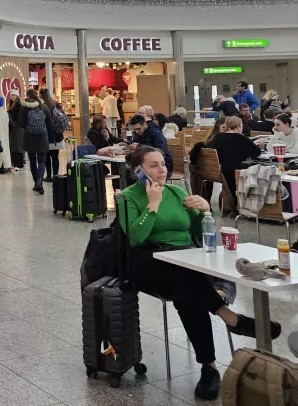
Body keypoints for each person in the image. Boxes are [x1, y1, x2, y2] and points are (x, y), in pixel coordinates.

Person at [119, 145, 280, 401]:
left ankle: (210, 368)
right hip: (147, 259)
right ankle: (229, 317)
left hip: (183, 258)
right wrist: (152, 205)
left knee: (187, 291)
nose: (161, 170)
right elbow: (136, 238)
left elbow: (197, 233)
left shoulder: (177, 190)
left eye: (162, 163)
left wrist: (205, 211)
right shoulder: (127, 196)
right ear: (137, 170)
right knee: (186, 278)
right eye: (153, 165)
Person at [208, 116, 261, 216]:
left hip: (221, 172)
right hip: (237, 173)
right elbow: (257, 152)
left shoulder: (217, 137)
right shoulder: (241, 139)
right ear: (238, 126)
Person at [20, 88, 52, 195]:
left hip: (29, 138)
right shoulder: (43, 107)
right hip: (42, 137)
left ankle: (36, 184)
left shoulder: (24, 108)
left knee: (33, 161)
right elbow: (49, 122)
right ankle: (39, 182)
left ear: (27, 95)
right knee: (42, 161)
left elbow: (21, 123)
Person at [41, 89, 66, 183]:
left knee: (47, 157)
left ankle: (48, 175)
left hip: (46, 135)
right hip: (57, 135)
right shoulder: (55, 104)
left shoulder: (42, 106)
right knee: (55, 157)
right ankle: (55, 175)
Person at [7, 91, 26, 171]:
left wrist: (15, 125)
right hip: (15, 128)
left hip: (17, 128)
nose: (12, 96)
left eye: (14, 95)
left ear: (17, 96)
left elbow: (18, 117)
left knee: (16, 146)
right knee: (18, 146)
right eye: (11, 95)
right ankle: (19, 164)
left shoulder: (18, 105)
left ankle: (17, 164)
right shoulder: (11, 105)